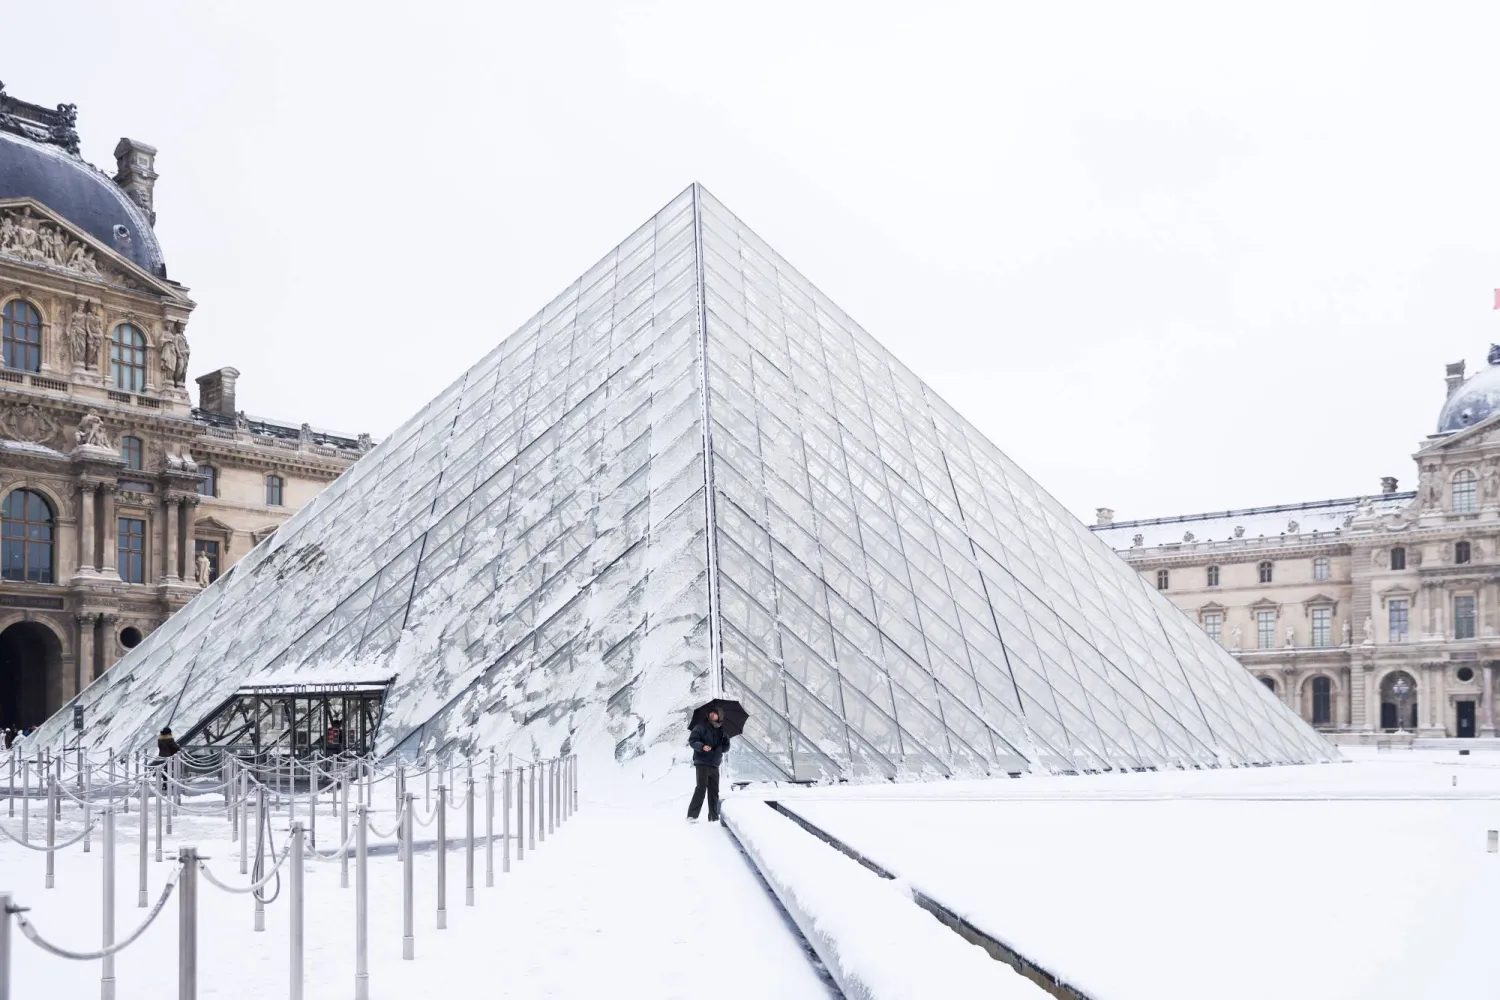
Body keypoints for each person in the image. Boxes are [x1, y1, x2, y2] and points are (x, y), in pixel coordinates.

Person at [686, 709, 731, 823]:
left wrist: (726, 740)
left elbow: (725, 749)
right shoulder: (700, 727)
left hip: (715, 764)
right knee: (701, 788)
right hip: (702, 761)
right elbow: (692, 741)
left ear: (720, 715)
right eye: (710, 712)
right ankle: (692, 816)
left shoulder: (721, 731)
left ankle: (713, 817)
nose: (712, 714)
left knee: (714, 791)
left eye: (715, 713)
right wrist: (702, 747)